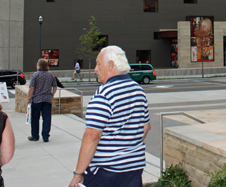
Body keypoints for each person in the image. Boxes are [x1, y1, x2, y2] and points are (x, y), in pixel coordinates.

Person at [69, 46, 151, 187]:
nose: (95, 69)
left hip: (105, 173)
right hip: (133, 169)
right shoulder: (138, 90)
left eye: (98, 64)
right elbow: (146, 127)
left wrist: (78, 173)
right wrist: (126, 149)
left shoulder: (104, 95)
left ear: (111, 65)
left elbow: (92, 135)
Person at [27, 58, 57, 142]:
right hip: (47, 99)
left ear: (39, 66)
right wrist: (52, 94)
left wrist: (29, 98)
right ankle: (45, 136)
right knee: (47, 118)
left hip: (37, 99)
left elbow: (31, 88)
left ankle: (35, 136)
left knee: (35, 118)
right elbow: (55, 86)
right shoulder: (50, 75)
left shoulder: (35, 75)